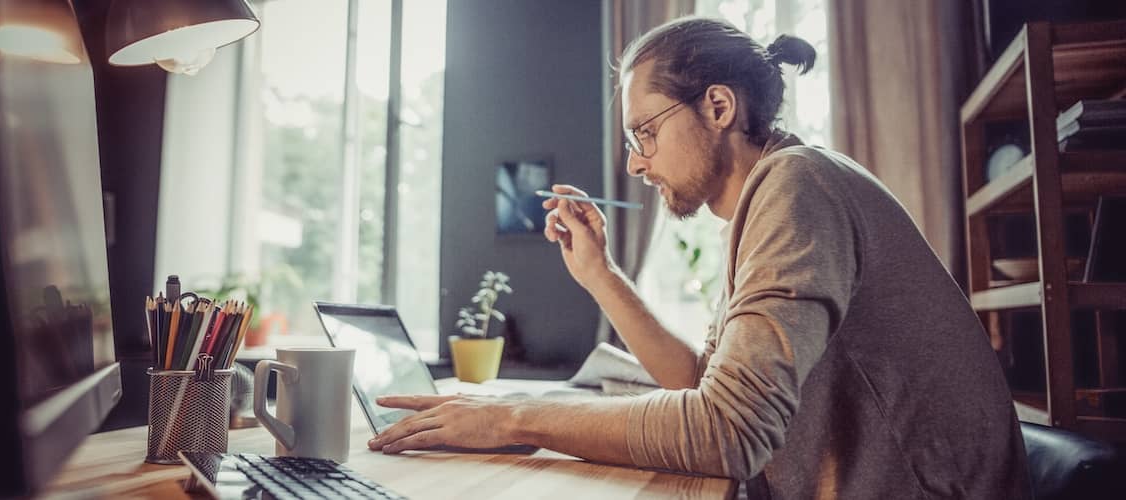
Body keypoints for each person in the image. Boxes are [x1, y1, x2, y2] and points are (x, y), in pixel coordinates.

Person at [369, 16, 1029, 499]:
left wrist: (511, 417)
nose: (634, 162)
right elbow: (702, 383)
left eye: (645, 132)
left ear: (717, 105)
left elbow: (728, 430)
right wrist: (600, 275)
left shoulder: (797, 185)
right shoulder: (771, 199)